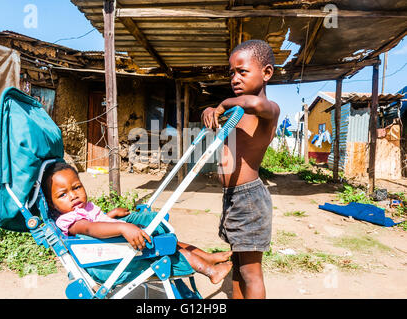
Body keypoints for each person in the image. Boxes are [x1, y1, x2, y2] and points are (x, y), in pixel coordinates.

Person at [41, 161, 232, 285]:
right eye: (63, 194)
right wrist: (123, 226)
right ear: (51, 203)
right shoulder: (68, 220)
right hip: (106, 260)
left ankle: (207, 256)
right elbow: (90, 228)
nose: (73, 195)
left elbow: (96, 222)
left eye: (76, 187)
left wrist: (111, 214)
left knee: (165, 240)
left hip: (112, 246)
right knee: (163, 246)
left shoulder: (81, 209)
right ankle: (210, 271)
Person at [201, 40, 280, 298]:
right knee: (237, 266)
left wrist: (223, 103)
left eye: (242, 71)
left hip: (250, 198)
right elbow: (225, 109)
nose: (234, 78)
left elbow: (254, 104)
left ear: (266, 73)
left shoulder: (268, 110)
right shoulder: (237, 110)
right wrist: (209, 110)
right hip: (233, 197)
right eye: (231, 73)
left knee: (251, 272)